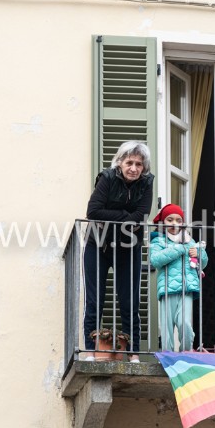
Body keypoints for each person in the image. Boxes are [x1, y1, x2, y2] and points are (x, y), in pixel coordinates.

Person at [83, 141, 154, 361]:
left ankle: (133, 353)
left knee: (130, 303)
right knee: (94, 301)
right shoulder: (107, 178)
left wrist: (116, 216)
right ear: (120, 162)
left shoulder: (147, 183)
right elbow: (93, 211)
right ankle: (91, 351)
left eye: (138, 164)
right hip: (98, 245)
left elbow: (141, 216)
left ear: (144, 167)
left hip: (128, 247)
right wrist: (125, 216)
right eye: (129, 162)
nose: (133, 168)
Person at [150, 204, 208, 352]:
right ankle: (167, 356)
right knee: (167, 329)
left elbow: (203, 262)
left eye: (178, 220)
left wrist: (199, 254)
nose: (174, 223)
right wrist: (178, 248)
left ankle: (186, 353)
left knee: (185, 324)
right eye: (170, 220)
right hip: (167, 290)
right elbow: (155, 260)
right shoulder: (158, 241)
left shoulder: (190, 241)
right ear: (163, 222)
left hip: (186, 290)